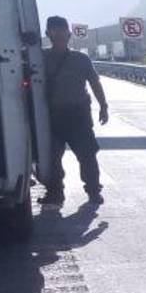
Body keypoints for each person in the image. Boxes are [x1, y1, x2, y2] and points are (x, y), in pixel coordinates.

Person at [42, 15, 108, 207]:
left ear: (69, 34)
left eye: (62, 31)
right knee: (52, 158)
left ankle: (93, 190)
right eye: (55, 31)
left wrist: (103, 106)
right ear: (48, 34)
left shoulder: (81, 59)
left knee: (87, 155)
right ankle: (55, 193)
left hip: (78, 115)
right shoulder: (40, 58)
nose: (59, 35)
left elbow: (94, 83)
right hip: (52, 116)